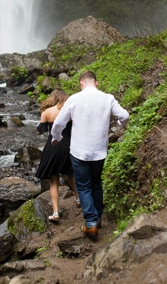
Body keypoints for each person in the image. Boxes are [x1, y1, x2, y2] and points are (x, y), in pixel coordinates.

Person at [51, 70, 129, 239]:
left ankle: (91, 224)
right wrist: (120, 124)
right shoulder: (107, 98)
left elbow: (58, 123)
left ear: (81, 84)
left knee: (83, 186)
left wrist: (56, 138)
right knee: (95, 183)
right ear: (96, 83)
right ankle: (98, 218)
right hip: (99, 151)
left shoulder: (74, 99)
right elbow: (124, 115)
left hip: (79, 151)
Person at [34, 89, 79, 222]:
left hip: (53, 147)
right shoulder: (70, 111)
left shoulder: (46, 113)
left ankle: (55, 212)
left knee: (54, 179)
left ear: (52, 98)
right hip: (70, 146)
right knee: (71, 174)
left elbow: (39, 132)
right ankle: (78, 199)